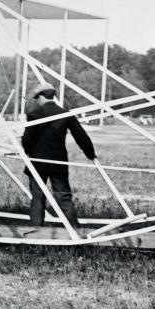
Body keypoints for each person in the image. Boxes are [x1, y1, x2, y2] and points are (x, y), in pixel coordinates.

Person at [21, 82, 96, 228]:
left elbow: (27, 139)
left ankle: (35, 232)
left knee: (38, 197)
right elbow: (81, 136)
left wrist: (28, 151)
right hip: (58, 163)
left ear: (41, 97)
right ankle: (74, 230)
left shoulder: (34, 114)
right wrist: (90, 153)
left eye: (37, 99)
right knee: (63, 197)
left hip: (37, 163)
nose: (37, 101)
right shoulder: (65, 114)